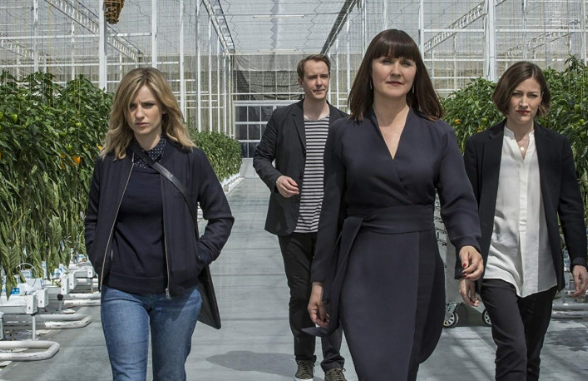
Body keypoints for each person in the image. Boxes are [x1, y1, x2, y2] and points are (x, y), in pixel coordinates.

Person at [307, 29, 483, 381]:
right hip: (361, 264)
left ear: (417, 72)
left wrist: (468, 242)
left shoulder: (438, 133)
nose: (396, 70)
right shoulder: (344, 133)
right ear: (370, 69)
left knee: (403, 366)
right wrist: (319, 281)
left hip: (416, 263)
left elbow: (458, 197)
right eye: (386, 61)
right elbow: (331, 213)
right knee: (374, 367)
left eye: (406, 62)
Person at [84, 67, 234, 381]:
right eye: (131, 106)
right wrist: (102, 258)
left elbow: (221, 216)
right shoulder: (109, 162)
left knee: (170, 374)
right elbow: (93, 219)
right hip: (122, 290)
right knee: (128, 375)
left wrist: (196, 257)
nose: (139, 114)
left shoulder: (189, 159)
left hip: (176, 293)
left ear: (164, 107)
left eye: (147, 105)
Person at [462, 61, 588, 381]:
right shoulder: (480, 146)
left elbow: (570, 207)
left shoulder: (556, 147)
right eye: (517, 94)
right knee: (513, 348)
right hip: (496, 261)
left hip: (540, 265)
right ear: (505, 96)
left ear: (541, 99)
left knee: (531, 356)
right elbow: (466, 209)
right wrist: (463, 271)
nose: (524, 103)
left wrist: (578, 258)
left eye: (532, 95)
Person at [253, 55, 348, 381]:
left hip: (331, 227)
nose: (319, 82)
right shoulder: (283, 118)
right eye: (312, 77)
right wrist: (276, 179)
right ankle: (304, 358)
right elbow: (261, 157)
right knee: (300, 294)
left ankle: (333, 363)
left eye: (324, 76)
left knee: (330, 294)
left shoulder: (343, 122)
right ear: (301, 81)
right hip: (293, 225)